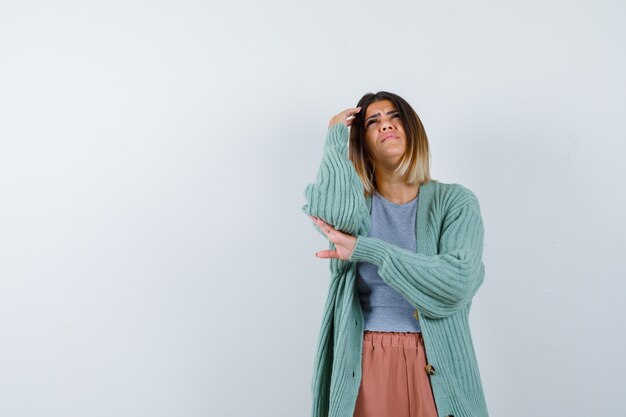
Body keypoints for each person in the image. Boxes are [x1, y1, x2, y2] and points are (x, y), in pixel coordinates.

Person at [303, 91, 489, 417]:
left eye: (394, 117)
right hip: (365, 358)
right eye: (373, 122)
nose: (385, 125)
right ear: (362, 142)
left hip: (435, 358)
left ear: (411, 129)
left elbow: (458, 281)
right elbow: (330, 210)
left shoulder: (455, 202)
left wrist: (369, 250)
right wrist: (334, 139)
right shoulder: (357, 208)